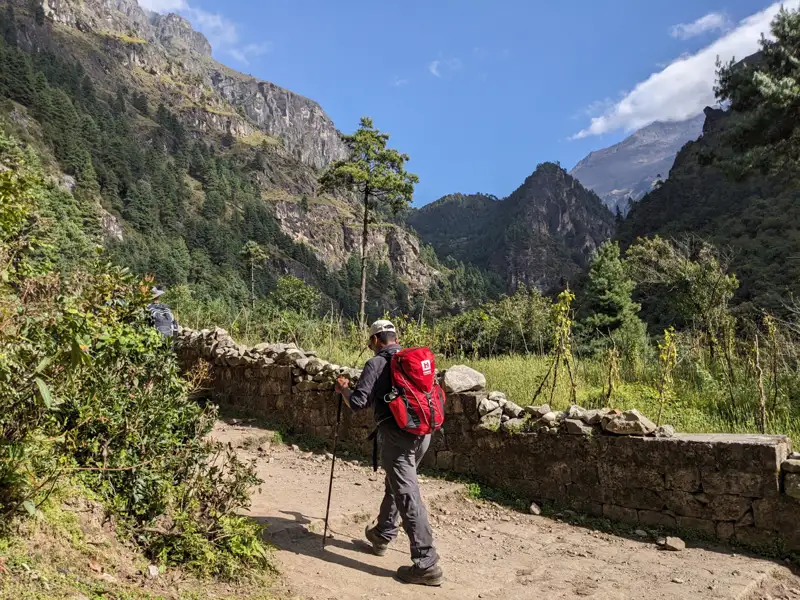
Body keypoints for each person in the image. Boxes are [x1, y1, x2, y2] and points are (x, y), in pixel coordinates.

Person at [335, 319, 443, 587]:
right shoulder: (412, 360)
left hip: (397, 437)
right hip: (424, 433)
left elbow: (358, 403)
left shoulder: (377, 363)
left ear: (374, 340)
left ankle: (426, 563)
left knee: (407, 494)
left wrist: (342, 389)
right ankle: (383, 534)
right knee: (397, 484)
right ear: (394, 337)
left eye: (369, 342)